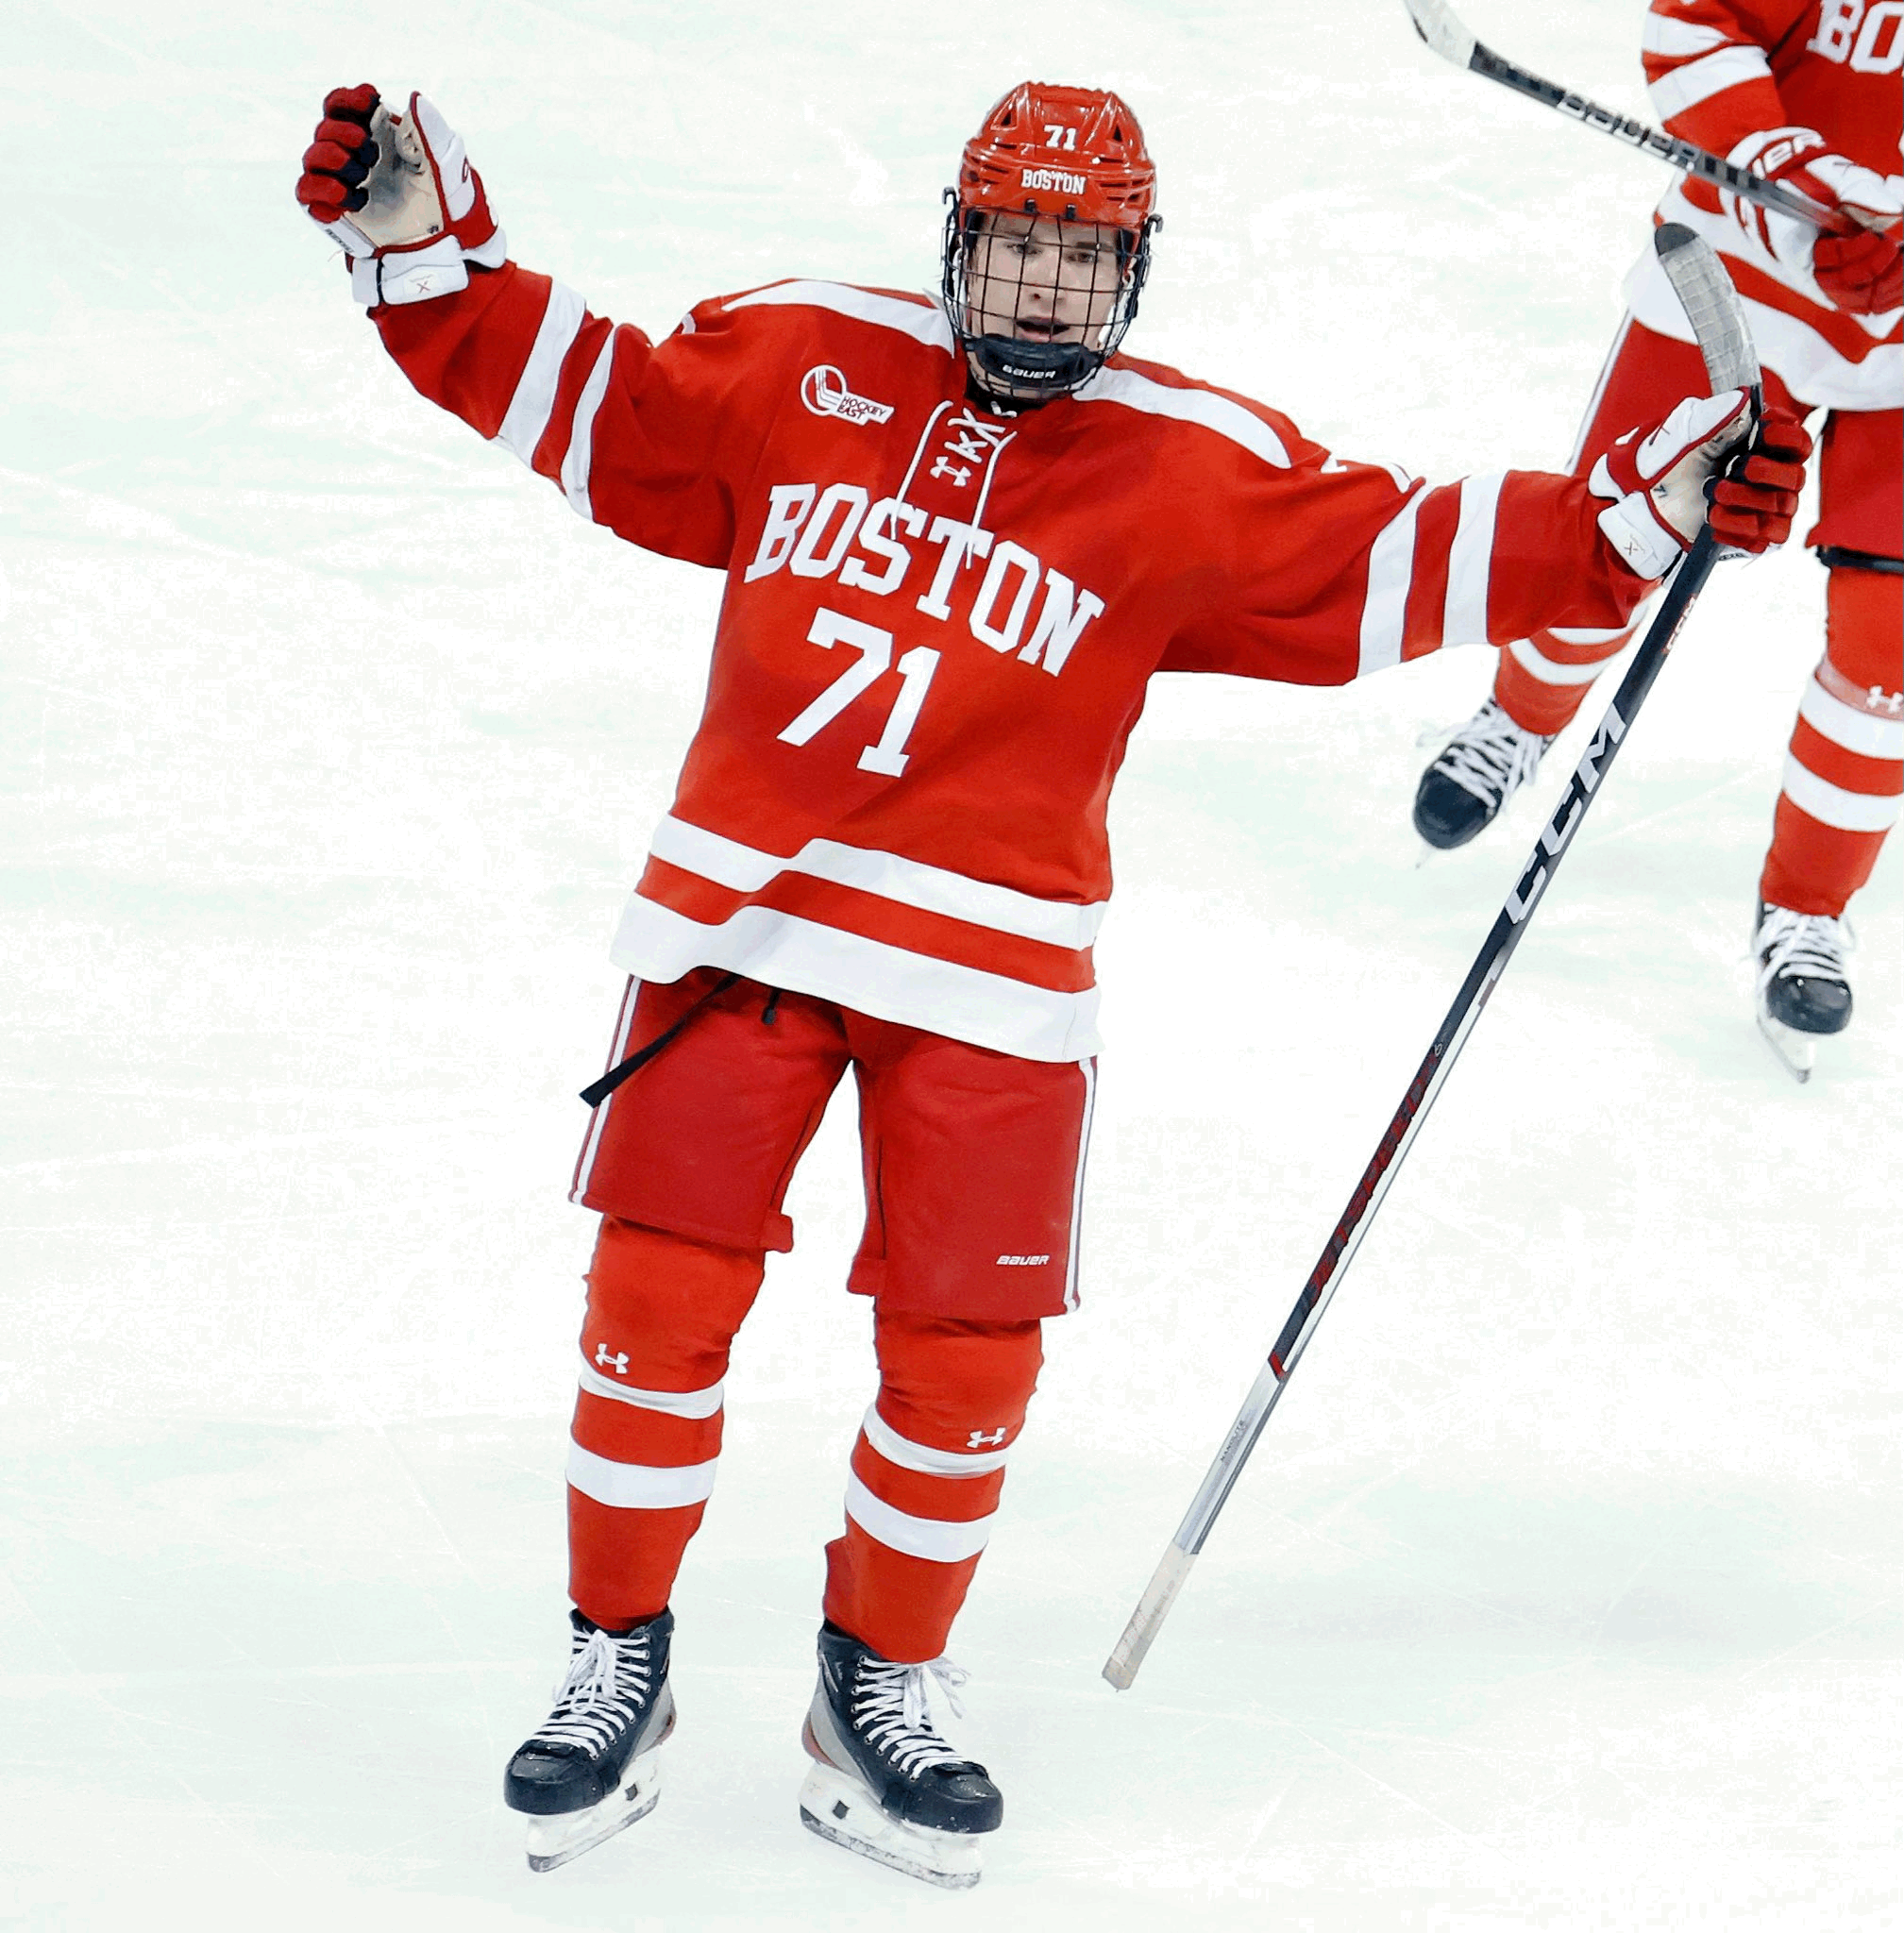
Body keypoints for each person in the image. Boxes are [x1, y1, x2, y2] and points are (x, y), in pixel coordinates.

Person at [295, 78, 1809, 1887]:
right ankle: (614, 1649)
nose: (1039, 288)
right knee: (652, 1300)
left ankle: (878, 1678)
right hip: (738, 931)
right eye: (1014, 243)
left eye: (1081, 259)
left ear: (1133, 272)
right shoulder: (803, 359)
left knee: (964, 1359)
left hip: (997, 978)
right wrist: (429, 262)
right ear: (957, 235)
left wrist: (1637, 517)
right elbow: (608, 408)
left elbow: (1383, 550)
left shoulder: (1184, 461)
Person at [1408, 0, 1901, 1079]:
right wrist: (1779, 166)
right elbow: (1696, 23)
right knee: (1616, 538)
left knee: (1890, 647)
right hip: (1741, 276)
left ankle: (1807, 911)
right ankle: (1519, 716)